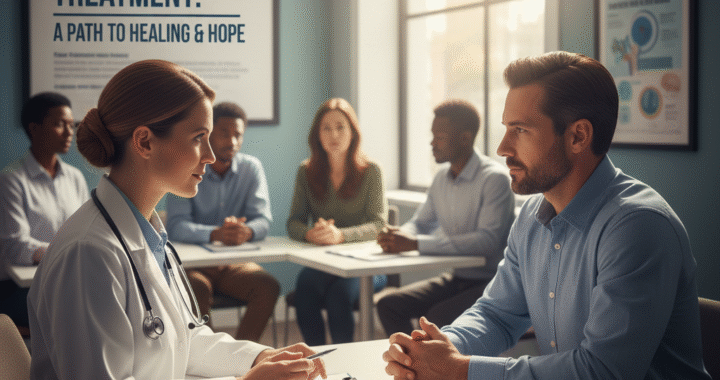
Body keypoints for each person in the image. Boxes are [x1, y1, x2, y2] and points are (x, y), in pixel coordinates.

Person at [383, 51, 710, 380]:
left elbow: (602, 372)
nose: (503, 148)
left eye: (520, 130)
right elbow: (497, 313)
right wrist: (443, 346)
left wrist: (461, 370)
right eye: (506, 129)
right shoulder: (530, 219)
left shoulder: (637, 227)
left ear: (578, 136)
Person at [27, 60, 326, 380]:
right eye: (199, 137)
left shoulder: (151, 237)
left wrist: (259, 357)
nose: (211, 156)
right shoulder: (88, 254)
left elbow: (183, 340)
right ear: (144, 142)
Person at [376, 100, 514, 336]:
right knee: (389, 305)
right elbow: (421, 222)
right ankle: (415, 366)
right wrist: (401, 236)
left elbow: (487, 241)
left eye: (439, 137)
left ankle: (426, 366)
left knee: (435, 317)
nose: (432, 143)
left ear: (464, 138)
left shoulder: (495, 180)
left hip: (491, 284)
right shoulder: (441, 178)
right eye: (432, 136)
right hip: (456, 278)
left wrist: (415, 244)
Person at [166, 101, 280, 342]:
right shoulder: (188, 167)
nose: (232, 141)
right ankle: (210, 357)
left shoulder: (251, 169)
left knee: (268, 287)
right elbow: (175, 226)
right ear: (208, 135)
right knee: (197, 288)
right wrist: (215, 234)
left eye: (238, 134)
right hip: (195, 266)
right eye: (224, 133)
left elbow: (263, 219)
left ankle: (242, 354)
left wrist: (245, 231)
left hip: (234, 264)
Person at [287, 97, 388, 345]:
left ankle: (344, 365)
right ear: (317, 135)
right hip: (325, 263)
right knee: (305, 288)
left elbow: (378, 225)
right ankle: (317, 360)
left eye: (341, 127)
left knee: (338, 296)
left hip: (366, 267)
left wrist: (340, 235)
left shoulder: (371, 170)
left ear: (353, 132)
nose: (334, 134)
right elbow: (294, 222)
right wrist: (310, 234)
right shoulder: (306, 170)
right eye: (326, 128)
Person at [0, 92, 89, 329]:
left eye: (72, 125)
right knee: (84, 311)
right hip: (21, 289)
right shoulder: (12, 180)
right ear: (34, 128)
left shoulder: (74, 177)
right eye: (60, 124)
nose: (70, 132)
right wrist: (66, 251)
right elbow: (15, 247)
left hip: (68, 280)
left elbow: (85, 232)